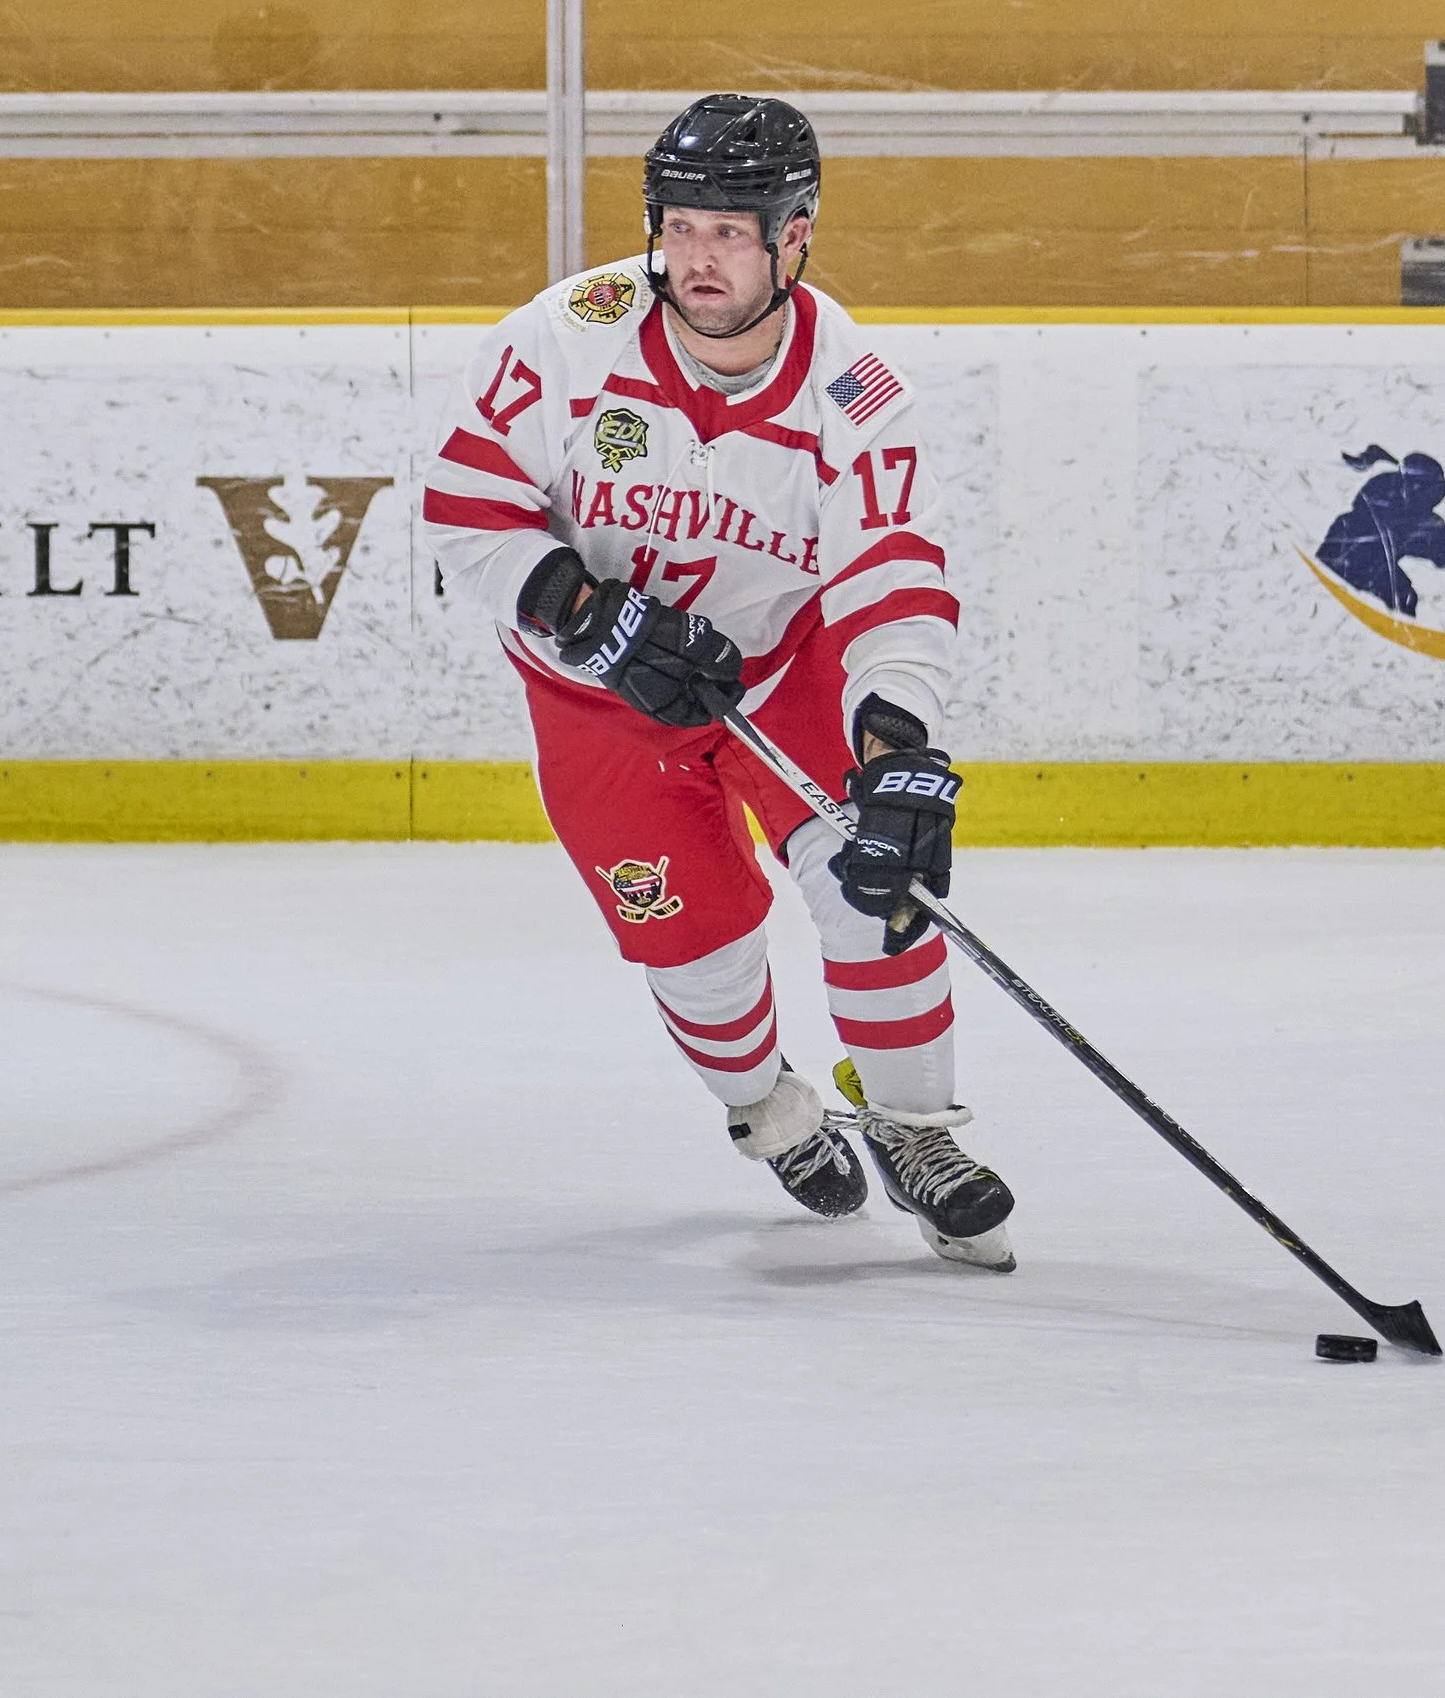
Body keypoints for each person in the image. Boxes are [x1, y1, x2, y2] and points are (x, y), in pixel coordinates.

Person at [421, 94, 1015, 1271]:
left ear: (794, 236)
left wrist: (898, 749)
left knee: (873, 885)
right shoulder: (565, 336)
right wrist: (582, 614)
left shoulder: (854, 390)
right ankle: (775, 1113)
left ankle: (913, 1128)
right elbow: (464, 513)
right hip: (596, 696)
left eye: (731, 232)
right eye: (682, 226)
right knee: (691, 941)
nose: (698, 257)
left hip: (781, 664)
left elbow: (895, 575)